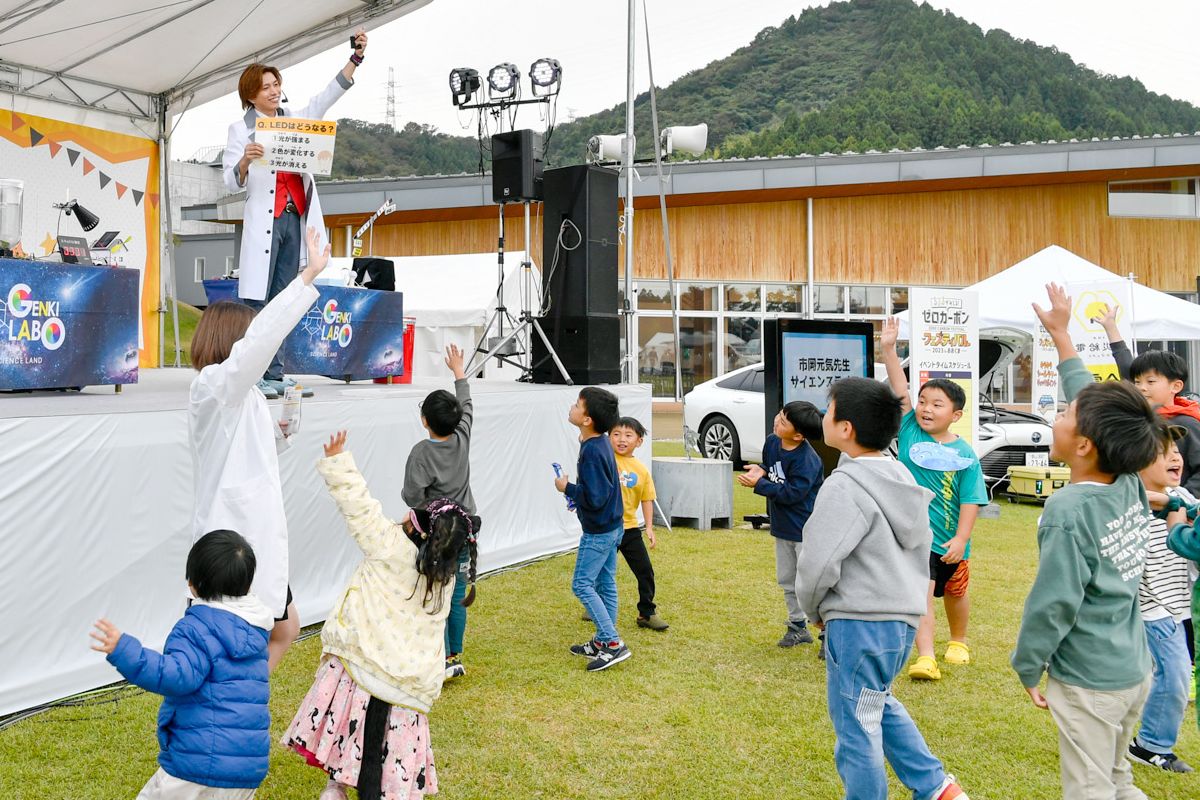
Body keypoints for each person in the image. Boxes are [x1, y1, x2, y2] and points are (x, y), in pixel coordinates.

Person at [1012, 283, 1161, 800]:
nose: (1058, 414)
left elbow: (1054, 601)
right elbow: (1090, 400)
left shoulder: (1068, 509)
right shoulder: (1128, 481)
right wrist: (1061, 336)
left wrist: (1028, 663)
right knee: (1118, 777)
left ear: (1082, 444)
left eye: (1063, 415)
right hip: (1132, 669)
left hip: (1089, 682)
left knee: (1090, 788)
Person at [797, 377, 969, 800]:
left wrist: (812, 609)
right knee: (875, 700)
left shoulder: (845, 485)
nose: (824, 416)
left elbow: (818, 562)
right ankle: (934, 786)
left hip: (859, 621)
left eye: (829, 409)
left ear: (846, 428)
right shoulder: (900, 477)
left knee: (856, 727)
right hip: (900, 623)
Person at [282, 431, 479, 800]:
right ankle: (350, 789)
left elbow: (359, 507)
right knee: (386, 750)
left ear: (415, 524)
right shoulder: (445, 579)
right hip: (407, 685)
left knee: (353, 735)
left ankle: (337, 787)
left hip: (361, 665)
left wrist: (339, 459)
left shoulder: (386, 544)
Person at [189, 225, 329, 670]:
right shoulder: (213, 386)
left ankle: (242, 692)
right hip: (231, 542)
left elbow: (254, 447)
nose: (260, 353)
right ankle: (231, 697)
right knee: (229, 640)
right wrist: (305, 277)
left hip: (255, 540)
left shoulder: (241, 394)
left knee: (285, 627)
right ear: (233, 342)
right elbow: (260, 342)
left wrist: (283, 432)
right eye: (247, 340)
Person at [221, 27, 367, 398]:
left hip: (294, 218)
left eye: (276, 84)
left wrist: (355, 59)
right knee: (257, 300)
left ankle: (275, 372)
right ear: (250, 94)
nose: (273, 91)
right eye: (266, 86)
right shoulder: (241, 130)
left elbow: (326, 98)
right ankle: (252, 373)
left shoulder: (294, 118)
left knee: (285, 297)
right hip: (264, 223)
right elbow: (228, 181)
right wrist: (244, 161)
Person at [90, 531, 272, 800]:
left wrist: (125, 651)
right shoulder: (256, 629)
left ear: (193, 584)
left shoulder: (195, 628)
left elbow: (175, 675)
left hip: (195, 764)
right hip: (246, 769)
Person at [881, 318, 989, 681]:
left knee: (956, 592)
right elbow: (899, 390)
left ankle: (958, 640)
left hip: (952, 540)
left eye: (937, 405)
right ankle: (925, 656)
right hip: (916, 536)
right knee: (922, 594)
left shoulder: (966, 455)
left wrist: (961, 539)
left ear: (955, 415)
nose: (926, 409)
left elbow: (971, 500)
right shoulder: (910, 427)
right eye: (924, 401)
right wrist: (889, 351)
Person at [401, 343, 478, 681]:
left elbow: (412, 496)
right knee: (457, 591)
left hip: (437, 533)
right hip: (466, 529)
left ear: (423, 421)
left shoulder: (421, 453)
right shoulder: (462, 436)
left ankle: (439, 656)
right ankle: (454, 654)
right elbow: (469, 405)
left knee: (436, 590)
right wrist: (459, 372)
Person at [1129, 429, 1194, 773]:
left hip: (1179, 604)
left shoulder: (1182, 495)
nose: (1176, 457)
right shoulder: (1130, 501)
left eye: (1176, 451)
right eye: (1163, 453)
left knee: (1161, 675)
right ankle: (1152, 744)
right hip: (1152, 607)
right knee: (1175, 673)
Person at [554, 387, 630, 672]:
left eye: (577, 405)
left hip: (599, 532)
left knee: (582, 584)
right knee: (605, 583)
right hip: (612, 526)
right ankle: (601, 640)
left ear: (587, 419)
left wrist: (568, 488)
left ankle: (612, 643)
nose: (572, 408)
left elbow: (596, 496)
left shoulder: (594, 451)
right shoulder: (597, 444)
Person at [738, 401, 824, 648]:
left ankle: (827, 631)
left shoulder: (808, 460)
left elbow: (792, 493)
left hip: (805, 529)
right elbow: (771, 468)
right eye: (780, 414)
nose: (777, 420)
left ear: (798, 435)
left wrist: (759, 485)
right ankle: (797, 626)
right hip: (783, 527)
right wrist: (761, 471)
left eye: (784, 421)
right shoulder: (773, 442)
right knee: (787, 579)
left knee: (811, 582)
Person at [1098, 305, 1200, 496]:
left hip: (1176, 510)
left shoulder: (1188, 422)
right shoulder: (1141, 419)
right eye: (1137, 382)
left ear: (1175, 386)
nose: (1142, 387)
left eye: (1151, 381)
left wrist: (1182, 500)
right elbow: (1127, 368)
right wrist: (1111, 328)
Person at [609, 416, 669, 631]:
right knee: (600, 570)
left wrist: (650, 528)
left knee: (645, 570)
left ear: (639, 441)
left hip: (630, 529)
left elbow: (647, 499)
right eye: (616, 434)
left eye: (628, 435)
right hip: (606, 529)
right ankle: (594, 606)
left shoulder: (641, 470)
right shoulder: (605, 459)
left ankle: (647, 613)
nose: (621, 439)